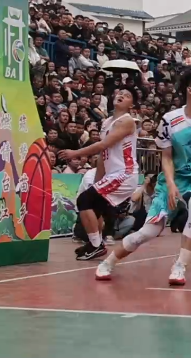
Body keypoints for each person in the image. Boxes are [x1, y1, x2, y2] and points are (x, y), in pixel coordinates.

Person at [95, 71, 191, 285]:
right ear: (190, 90)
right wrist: (170, 184)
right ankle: (108, 262)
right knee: (147, 233)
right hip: (173, 180)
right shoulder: (170, 120)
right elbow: (167, 157)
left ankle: (180, 266)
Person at [59, 88, 139, 260]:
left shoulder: (127, 121)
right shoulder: (108, 121)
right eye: (120, 93)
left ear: (131, 105)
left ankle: (96, 245)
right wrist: (97, 181)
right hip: (113, 174)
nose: (121, 95)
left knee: (84, 199)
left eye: (127, 96)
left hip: (125, 173)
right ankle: (95, 243)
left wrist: (75, 153)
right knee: (93, 206)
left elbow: (103, 145)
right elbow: (103, 155)